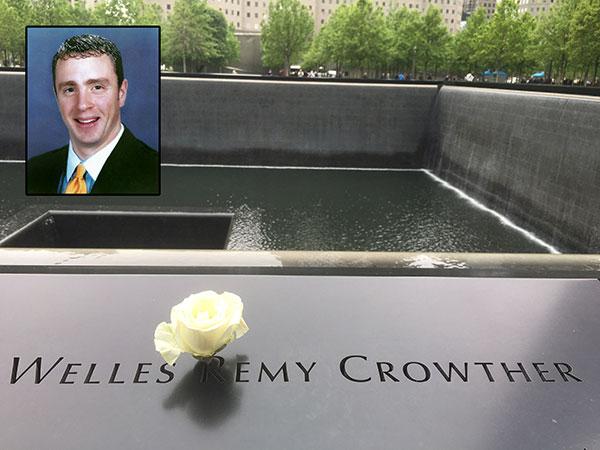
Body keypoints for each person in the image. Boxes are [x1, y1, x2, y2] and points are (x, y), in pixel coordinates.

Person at [27, 34, 159, 195]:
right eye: (69, 89)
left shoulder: (156, 174)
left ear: (121, 93)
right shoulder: (33, 171)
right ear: (57, 97)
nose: (82, 105)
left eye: (97, 87)